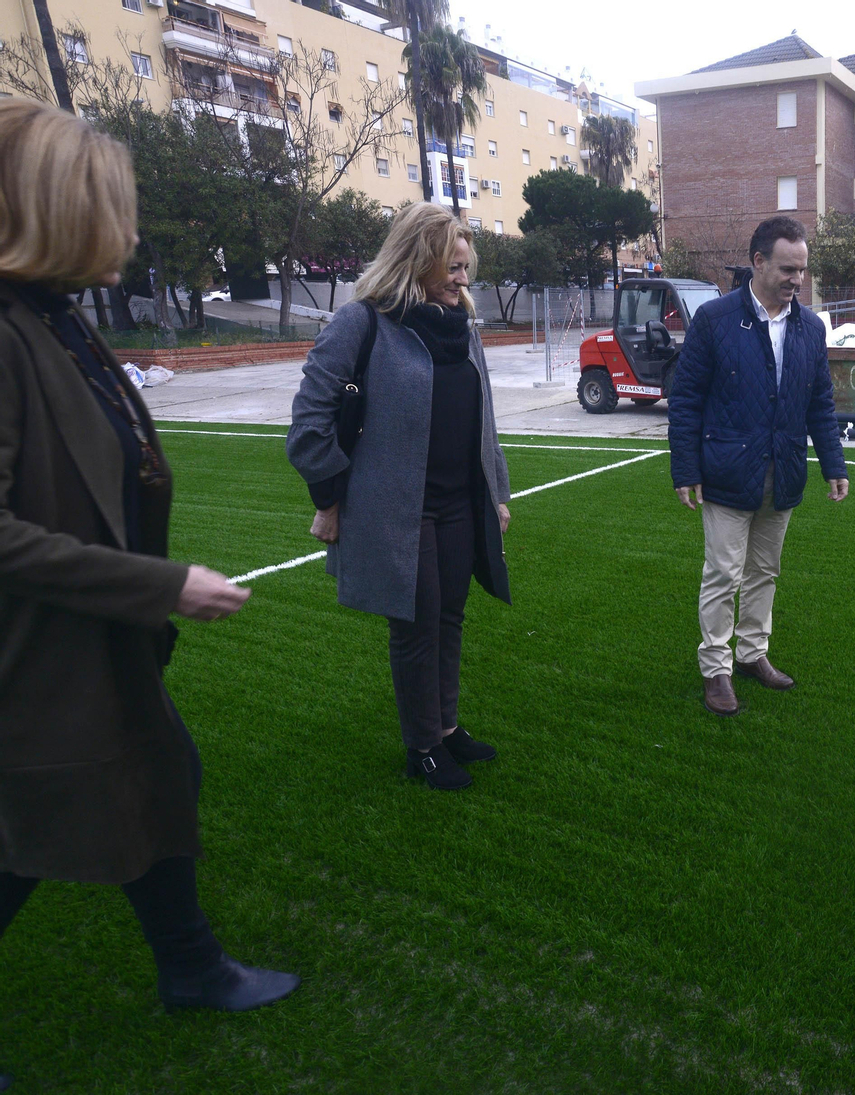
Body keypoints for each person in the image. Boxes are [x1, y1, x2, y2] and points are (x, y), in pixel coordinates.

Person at [0, 98, 299, 1072]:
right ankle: (194, 966)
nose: (131, 233)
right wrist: (159, 585)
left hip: (87, 638)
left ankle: (192, 966)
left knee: (163, 770)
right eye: (115, 211)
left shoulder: (53, 320)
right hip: (34, 653)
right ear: (57, 211)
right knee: (26, 832)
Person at [288, 202, 512, 791]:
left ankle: (446, 727)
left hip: (460, 502)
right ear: (416, 262)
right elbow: (309, 422)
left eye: (465, 268)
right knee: (416, 626)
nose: (463, 280)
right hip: (397, 510)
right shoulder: (361, 322)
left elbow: (485, 417)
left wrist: (497, 491)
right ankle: (423, 746)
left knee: (450, 617)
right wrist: (331, 495)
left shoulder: (460, 325)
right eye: (453, 268)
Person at [667, 216, 849, 716]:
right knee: (724, 574)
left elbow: (820, 403)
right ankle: (716, 668)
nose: (797, 279)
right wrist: (686, 469)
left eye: (802, 270)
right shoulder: (715, 319)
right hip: (727, 471)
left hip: (783, 471)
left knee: (765, 571)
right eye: (788, 269)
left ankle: (752, 654)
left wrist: (833, 463)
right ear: (758, 262)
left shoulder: (810, 327)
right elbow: (686, 400)